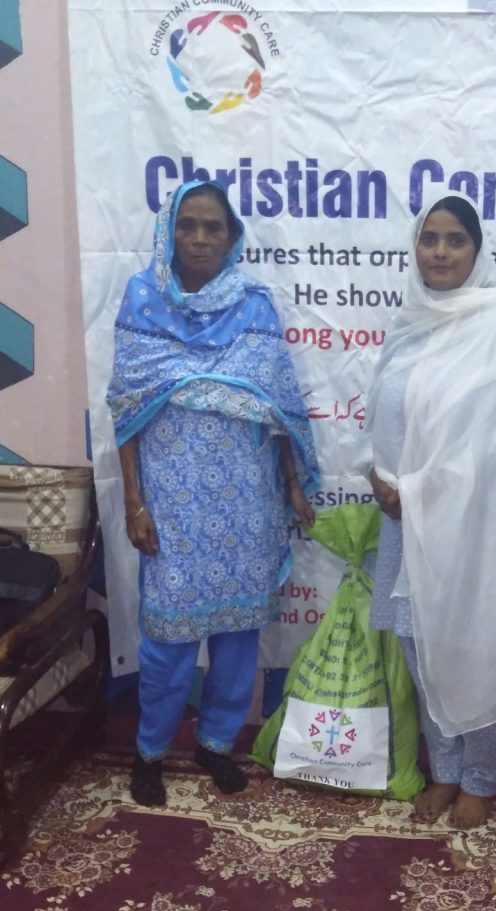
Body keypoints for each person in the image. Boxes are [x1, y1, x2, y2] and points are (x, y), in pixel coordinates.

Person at [107, 180, 319, 808]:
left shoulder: (254, 305)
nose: (200, 239)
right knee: (167, 643)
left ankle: (216, 744)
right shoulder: (143, 298)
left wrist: (291, 484)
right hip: (171, 503)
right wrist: (134, 503)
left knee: (237, 637)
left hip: (246, 502)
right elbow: (126, 411)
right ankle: (151, 751)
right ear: (169, 232)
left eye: (213, 227)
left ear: (232, 237)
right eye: (188, 225)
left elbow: (277, 407)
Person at [365, 186, 496, 829]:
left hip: (480, 525)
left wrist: (425, 486)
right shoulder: (409, 322)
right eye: (429, 238)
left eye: (456, 240)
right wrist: (380, 476)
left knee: (482, 648)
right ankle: (446, 770)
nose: (440, 251)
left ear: (477, 251)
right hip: (408, 522)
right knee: (422, 650)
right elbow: (386, 415)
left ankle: (482, 776)